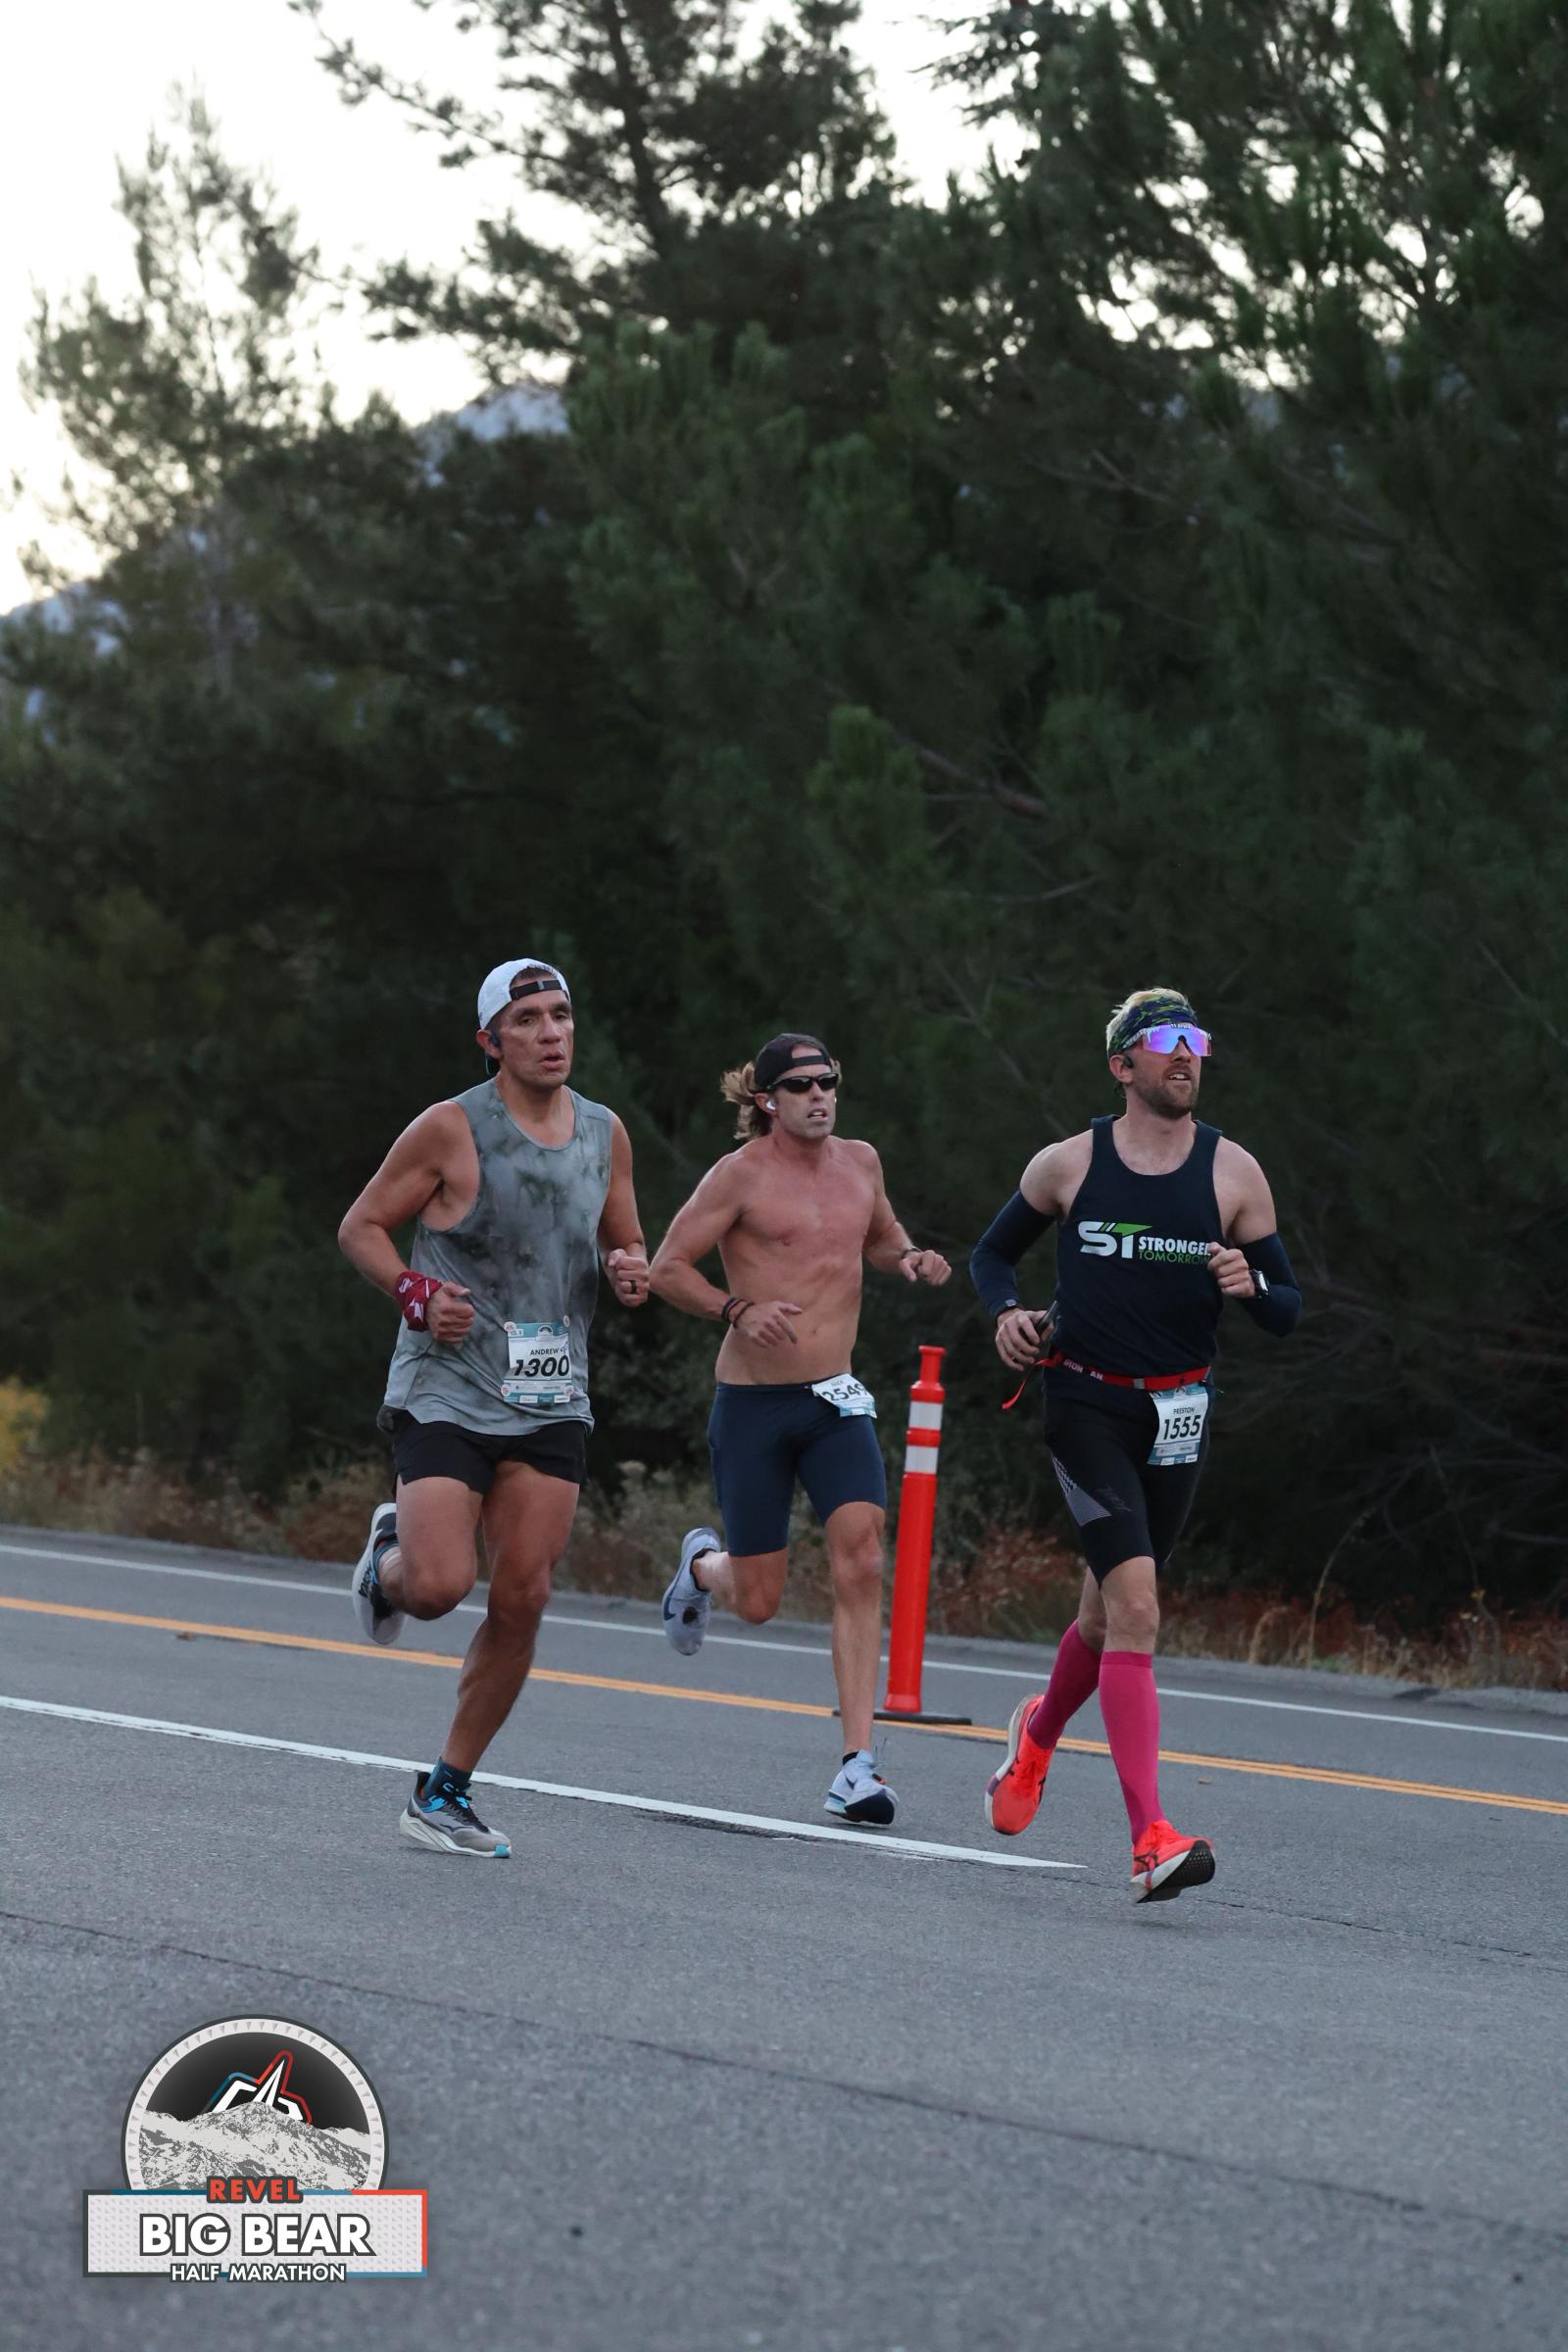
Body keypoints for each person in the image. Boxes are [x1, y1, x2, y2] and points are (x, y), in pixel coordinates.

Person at [968, 987, 1301, 1900]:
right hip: (1086, 1406)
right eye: (1164, 1040)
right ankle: (1152, 1838)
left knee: (1102, 1619)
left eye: (1196, 1039)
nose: (1186, 1054)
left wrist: (1250, 1285)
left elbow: (1287, 1309)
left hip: (1179, 1416)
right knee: (1140, 1610)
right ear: (1123, 1065)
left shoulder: (1235, 1173)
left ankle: (1035, 1738)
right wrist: (1007, 1315)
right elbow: (991, 1257)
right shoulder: (1069, 1164)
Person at [337, 957, 650, 1857]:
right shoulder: (450, 1128)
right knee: (439, 1588)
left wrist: (631, 1268)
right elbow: (362, 1227)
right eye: (528, 1021)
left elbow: (625, 1238)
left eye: (561, 1016)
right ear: (491, 1040)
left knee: (525, 1595)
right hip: (449, 1383)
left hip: (551, 1392)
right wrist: (415, 1294)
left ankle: (445, 1789)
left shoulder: (605, 1133)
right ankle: (387, 1561)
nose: (551, 1033)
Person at [649, 1034, 951, 1826]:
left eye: (829, 1081)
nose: (820, 1095)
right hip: (753, 1405)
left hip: (833, 1401)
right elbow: (666, 1267)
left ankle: (858, 1766)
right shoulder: (739, 1176)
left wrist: (910, 1257)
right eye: (802, 1085)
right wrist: (737, 1309)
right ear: (767, 1101)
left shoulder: (862, 1163)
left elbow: (879, 1237)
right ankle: (702, 1567)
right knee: (758, 1601)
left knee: (863, 1555)